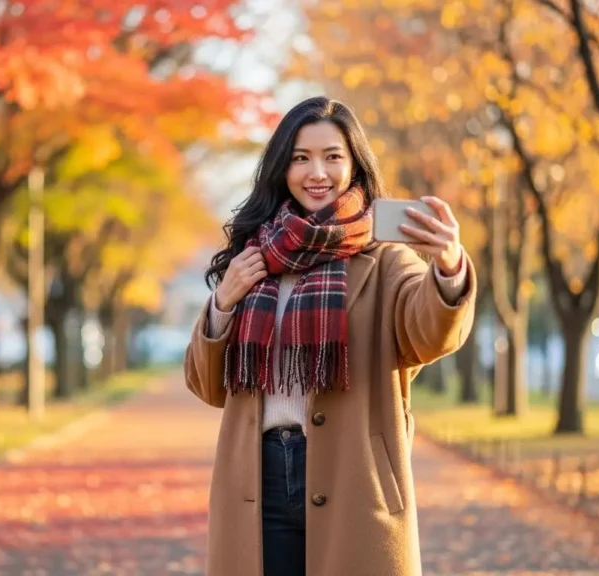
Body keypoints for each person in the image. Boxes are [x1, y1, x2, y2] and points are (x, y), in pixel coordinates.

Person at [183, 96, 477, 576]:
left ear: (354, 164)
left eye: (332, 156)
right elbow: (207, 386)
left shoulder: (386, 261)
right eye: (301, 158)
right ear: (282, 168)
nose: (316, 172)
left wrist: (448, 267)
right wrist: (224, 302)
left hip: (354, 477)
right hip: (258, 481)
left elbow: (429, 333)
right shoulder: (254, 258)